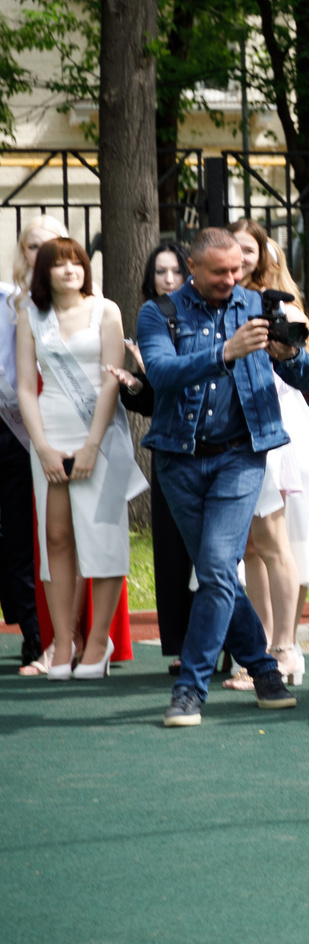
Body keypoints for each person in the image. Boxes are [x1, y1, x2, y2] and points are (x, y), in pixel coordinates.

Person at [135, 227, 309, 727]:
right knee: (218, 574)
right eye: (220, 272)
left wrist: (289, 354)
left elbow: (307, 377)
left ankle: (189, 690)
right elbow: (160, 373)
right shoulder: (160, 312)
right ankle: (264, 670)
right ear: (192, 269)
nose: (232, 279)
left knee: (216, 567)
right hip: (178, 459)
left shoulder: (258, 305)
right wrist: (225, 352)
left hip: (241, 458)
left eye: (237, 269)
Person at [224, 221, 309, 690]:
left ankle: (284, 648)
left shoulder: (279, 306)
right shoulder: (217, 302)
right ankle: (262, 650)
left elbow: (307, 372)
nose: (239, 257)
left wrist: (283, 348)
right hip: (234, 430)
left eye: (248, 249)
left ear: (262, 255)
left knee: (280, 541)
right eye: (232, 248)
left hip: (279, 428)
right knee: (251, 546)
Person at [15, 236, 140, 680]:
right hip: (50, 435)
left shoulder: (106, 311)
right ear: (44, 273)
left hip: (102, 438)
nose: (70, 270)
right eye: (59, 264)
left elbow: (111, 382)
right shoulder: (31, 316)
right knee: (56, 540)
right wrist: (43, 447)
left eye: (77, 262)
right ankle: (64, 643)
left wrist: (91, 446)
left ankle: (100, 641)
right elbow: (25, 387)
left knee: (103, 537)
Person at [4, 218, 68, 673]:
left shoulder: (88, 302)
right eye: (33, 246)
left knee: (61, 537)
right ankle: (37, 632)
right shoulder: (10, 303)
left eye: (51, 244)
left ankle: (78, 636)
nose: (41, 254)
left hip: (64, 429)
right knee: (24, 537)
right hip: (17, 428)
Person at [130, 239, 194, 669]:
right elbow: (153, 399)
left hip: (213, 442)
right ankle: (182, 645)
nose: (169, 279)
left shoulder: (204, 314)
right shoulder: (150, 319)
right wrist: (136, 384)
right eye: (160, 272)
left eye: (176, 271)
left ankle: (225, 643)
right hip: (169, 443)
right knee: (171, 550)